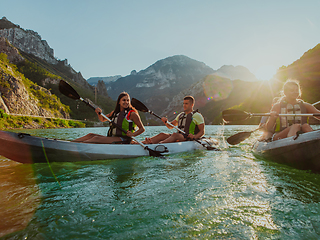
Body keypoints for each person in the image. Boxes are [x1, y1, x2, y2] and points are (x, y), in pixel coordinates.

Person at [72, 92, 145, 144]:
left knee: (95, 138)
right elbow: (102, 119)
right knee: (90, 135)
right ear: (119, 102)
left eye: (128, 100)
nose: (126, 102)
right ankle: (70, 143)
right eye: (124, 100)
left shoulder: (132, 114)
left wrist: (133, 134)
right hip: (113, 137)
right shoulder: (114, 113)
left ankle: (77, 146)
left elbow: (142, 129)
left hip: (124, 139)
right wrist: (98, 113)